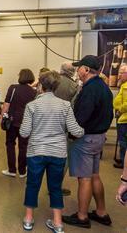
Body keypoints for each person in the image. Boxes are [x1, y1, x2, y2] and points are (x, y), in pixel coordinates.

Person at [20, 71, 84, 233]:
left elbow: (24, 132)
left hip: (36, 152)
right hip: (58, 153)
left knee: (32, 185)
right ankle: (58, 223)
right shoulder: (65, 105)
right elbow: (75, 131)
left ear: (40, 85)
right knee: (55, 187)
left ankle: (28, 220)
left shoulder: (32, 106)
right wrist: (85, 132)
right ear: (56, 86)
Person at [63, 55, 114, 228]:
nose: (77, 71)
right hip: (99, 137)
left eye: (79, 68)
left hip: (86, 139)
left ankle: (82, 216)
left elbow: (81, 118)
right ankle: (101, 212)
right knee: (94, 175)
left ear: (85, 70)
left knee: (84, 179)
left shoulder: (90, 90)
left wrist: (71, 134)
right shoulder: (104, 87)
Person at [1, 69, 36, 178]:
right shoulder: (34, 91)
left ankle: (11, 170)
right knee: (23, 146)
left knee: (10, 144)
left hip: (12, 121)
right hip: (26, 123)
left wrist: (2, 117)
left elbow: (6, 105)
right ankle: (22, 171)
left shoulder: (13, 88)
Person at [53, 62, 79, 196]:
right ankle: (56, 187)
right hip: (62, 127)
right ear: (72, 72)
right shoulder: (74, 86)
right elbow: (74, 108)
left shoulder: (51, 80)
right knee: (63, 158)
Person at [113, 64, 127, 169]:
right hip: (122, 117)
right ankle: (122, 159)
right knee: (122, 140)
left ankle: (124, 162)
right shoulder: (123, 84)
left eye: (121, 73)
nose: (119, 75)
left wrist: (120, 110)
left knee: (123, 142)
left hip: (124, 118)